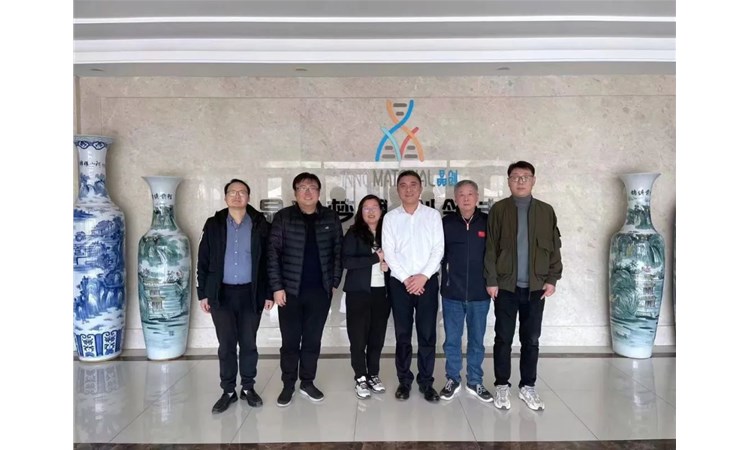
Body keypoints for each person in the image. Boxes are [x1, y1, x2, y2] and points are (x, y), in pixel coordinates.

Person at [484, 161, 563, 411]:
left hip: (536, 287)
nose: (520, 181)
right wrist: (491, 280)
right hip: (505, 286)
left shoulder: (546, 211)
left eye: (525, 176)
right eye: (515, 177)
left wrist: (552, 278)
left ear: (533, 180)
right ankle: (502, 385)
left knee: (531, 339)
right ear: (508, 181)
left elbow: (555, 248)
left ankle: (528, 386)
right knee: (503, 338)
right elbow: (490, 249)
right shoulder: (499, 210)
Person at [196, 178, 273, 414]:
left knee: (249, 343)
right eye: (232, 192)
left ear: (248, 197)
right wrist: (203, 293)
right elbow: (203, 260)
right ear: (225, 197)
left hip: (251, 293)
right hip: (222, 294)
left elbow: (269, 261)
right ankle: (228, 390)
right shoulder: (214, 224)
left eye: (242, 192)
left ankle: (248, 387)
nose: (237, 196)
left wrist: (269, 292)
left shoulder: (260, 224)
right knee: (226, 344)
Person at [268, 172, 343, 407]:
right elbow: (272, 254)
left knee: (312, 340)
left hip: (319, 292)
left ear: (319, 192)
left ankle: (307, 382)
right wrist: (277, 287)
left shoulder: (330, 217)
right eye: (302, 187)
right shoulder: (283, 217)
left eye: (312, 187)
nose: (308, 192)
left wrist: (333, 282)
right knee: (290, 342)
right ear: (295, 193)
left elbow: (338, 252)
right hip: (289, 292)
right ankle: (288, 384)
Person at [382, 170, 444, 402]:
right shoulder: (390, 218)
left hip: (427, 283)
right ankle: (404, 381)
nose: (408, 189)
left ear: (420, 189)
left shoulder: (432, 215)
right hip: (400, 284)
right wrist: (407, 279)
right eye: (403, 185)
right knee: (403, 334)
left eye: (413, 185)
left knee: (427, 334)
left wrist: (423, 277)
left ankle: (426, 382)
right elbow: (389, 252)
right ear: (397, 190)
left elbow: (438, 249)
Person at [439, 180, 493, 403]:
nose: (466, 198)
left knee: (477, 341)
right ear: (455, 198)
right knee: (452, 340)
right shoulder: (445, 223)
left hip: (480, 293)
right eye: (461, 194)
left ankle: (475, 380)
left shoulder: (488, 222)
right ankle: (452, 379)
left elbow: (495, 256)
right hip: (452, 292)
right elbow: (437, 254)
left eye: (470, 194)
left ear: (477, 197)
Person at [341, 195, 391, 399]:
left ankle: (373, 375)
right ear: (360, 212)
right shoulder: (354, 233)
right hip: (358, 292)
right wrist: (374, 258)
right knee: (358, 337)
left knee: (377, 337)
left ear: (381, 210)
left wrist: (388, 266)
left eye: (374, 207)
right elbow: (346, 262)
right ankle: (360, 376)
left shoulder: (388, 232)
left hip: (382, 292)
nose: (370, 211)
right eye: (366, 208)